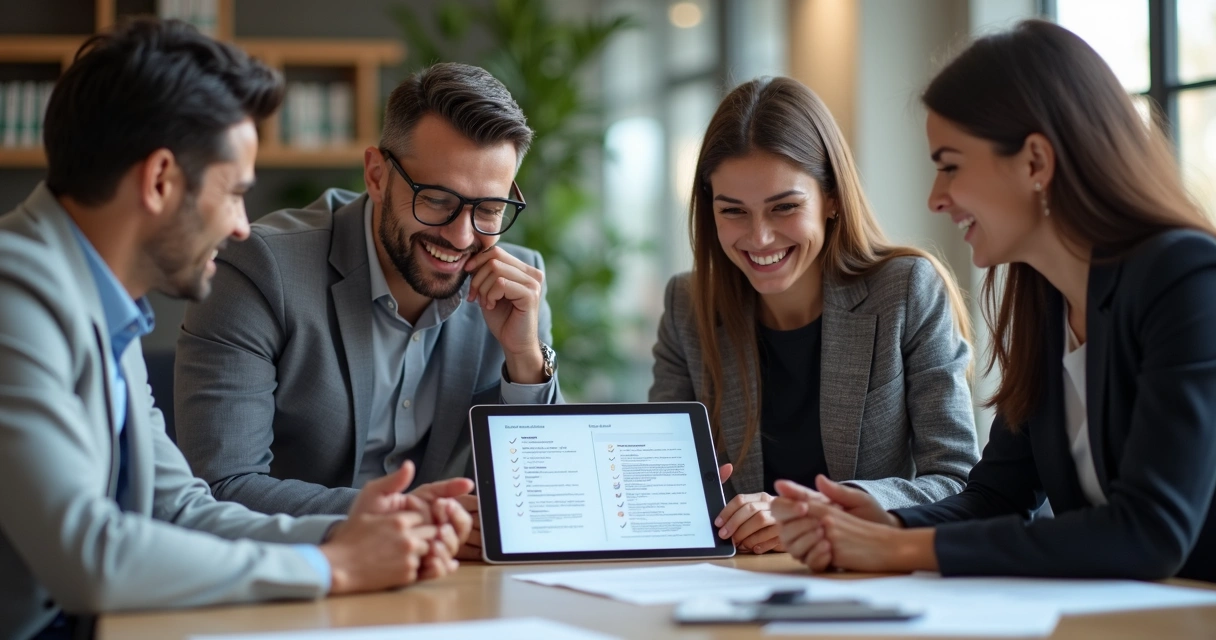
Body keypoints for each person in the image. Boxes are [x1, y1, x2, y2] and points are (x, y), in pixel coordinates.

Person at [0, 19, 472, 640]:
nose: (243, 225)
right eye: (233, 193)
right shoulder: (14, 296)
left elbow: (180, 509)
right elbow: (91, 555)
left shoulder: (103, 304)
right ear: (161, 180)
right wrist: (329, 567)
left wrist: (357, 533)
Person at [772, 20, 1216, 582]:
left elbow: (1151, 534)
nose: (936, 198)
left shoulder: (1185, 277)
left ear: (1035, 162)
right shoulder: (1042, 299)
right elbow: (996, 495)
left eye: (950, 166)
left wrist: (904, 553)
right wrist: (892, 526)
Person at [173, 61, 561, 560]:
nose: (462, 236)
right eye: (437, 199)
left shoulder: (515, 283)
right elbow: (222, 486)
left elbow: (546, 504)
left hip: (443, 587)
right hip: (294, 578)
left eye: (488, 209)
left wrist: (524, 359)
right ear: (377, 175)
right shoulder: (260, 267)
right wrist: (408, 517)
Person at [649, 76, 979, 556]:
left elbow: (957, 480)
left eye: (784, 207)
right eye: (733, 211)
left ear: (831, 200)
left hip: (869, 583)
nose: (759, 238)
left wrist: (817, 517)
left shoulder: (905, 289)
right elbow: (664, 484)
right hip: (737, 588)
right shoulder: (688, 305)